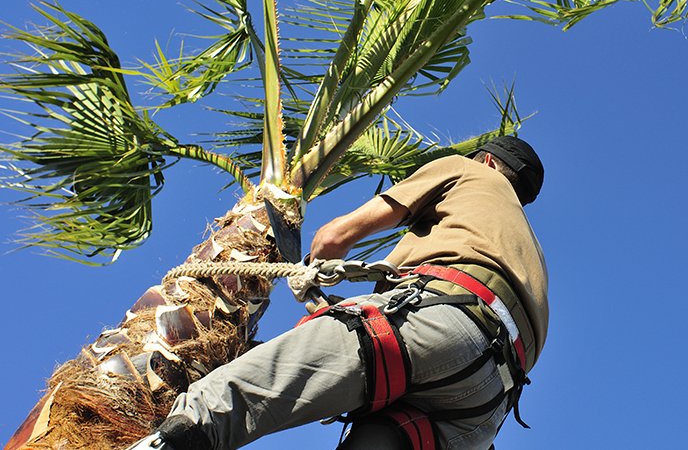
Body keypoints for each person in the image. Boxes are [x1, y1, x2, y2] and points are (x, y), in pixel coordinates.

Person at [128, 136, 547, 450]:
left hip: (437, 325)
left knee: (229, 402)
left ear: (488, 160)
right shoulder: (532, 254)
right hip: (485, 407)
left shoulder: (469, 172)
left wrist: (310, 264)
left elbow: (337, 236)